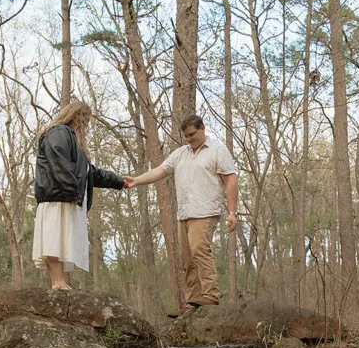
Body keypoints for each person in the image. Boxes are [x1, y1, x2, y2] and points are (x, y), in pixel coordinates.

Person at [125, 114, 239, 316]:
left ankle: (210, 295)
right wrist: (136, 180)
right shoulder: (180, 154)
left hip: (205, 211)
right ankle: (192, 302)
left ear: (202, 128)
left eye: (192, 135)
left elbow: (230, 180)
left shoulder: (217, 150)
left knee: (199, 250)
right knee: (187, 259)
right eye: (185, 136)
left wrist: (232, 212)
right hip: (185, 212)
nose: (189, 139)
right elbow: (160, 171)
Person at [33, 101, 126, 289]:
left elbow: (89, 173)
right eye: (86, 121)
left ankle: (59, 282)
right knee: (53, 240)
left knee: (59, 240)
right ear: (78, 117)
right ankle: (57, 282)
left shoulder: (73, 141)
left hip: (64, 196)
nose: (86, 126)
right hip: (57, 197)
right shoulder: (59, 133)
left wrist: (119, 181)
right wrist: (72, 191)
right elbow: (59, 163)